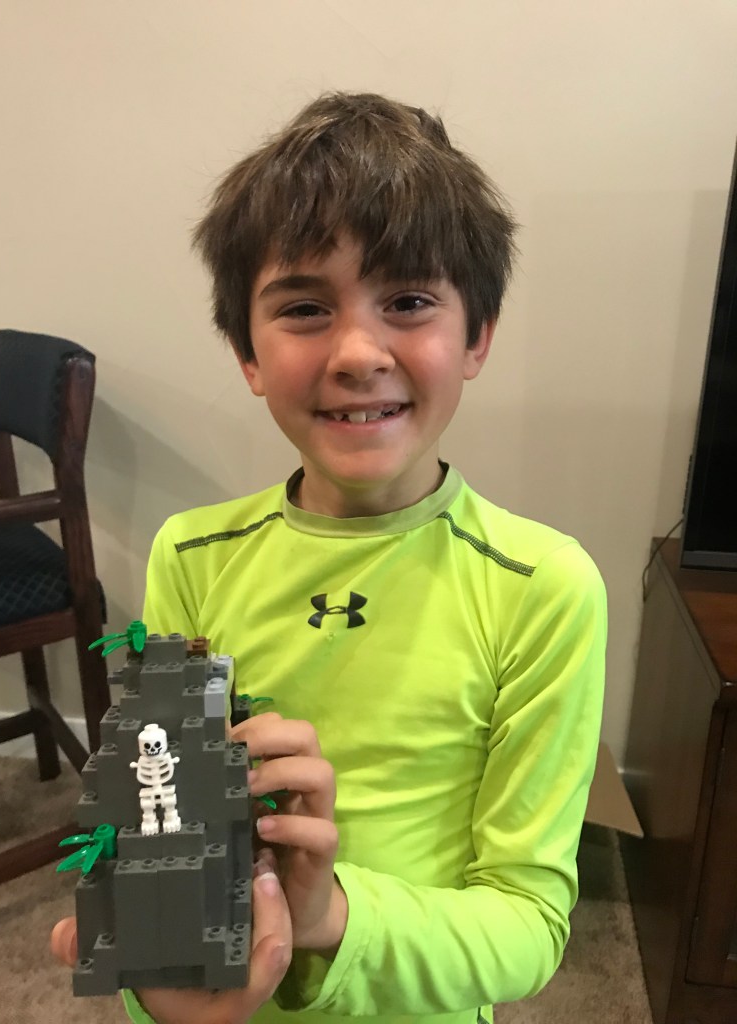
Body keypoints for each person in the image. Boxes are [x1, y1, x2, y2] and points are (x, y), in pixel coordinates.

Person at [52, 92, 607, 1024]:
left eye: (409, 301)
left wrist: (329, 917)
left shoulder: (544, 588)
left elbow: (528, 924)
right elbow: (163, 840)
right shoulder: (191, 554)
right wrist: (161, 993)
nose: (357, 353)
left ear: (476, 336)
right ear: (248, 354)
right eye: (305, 308)